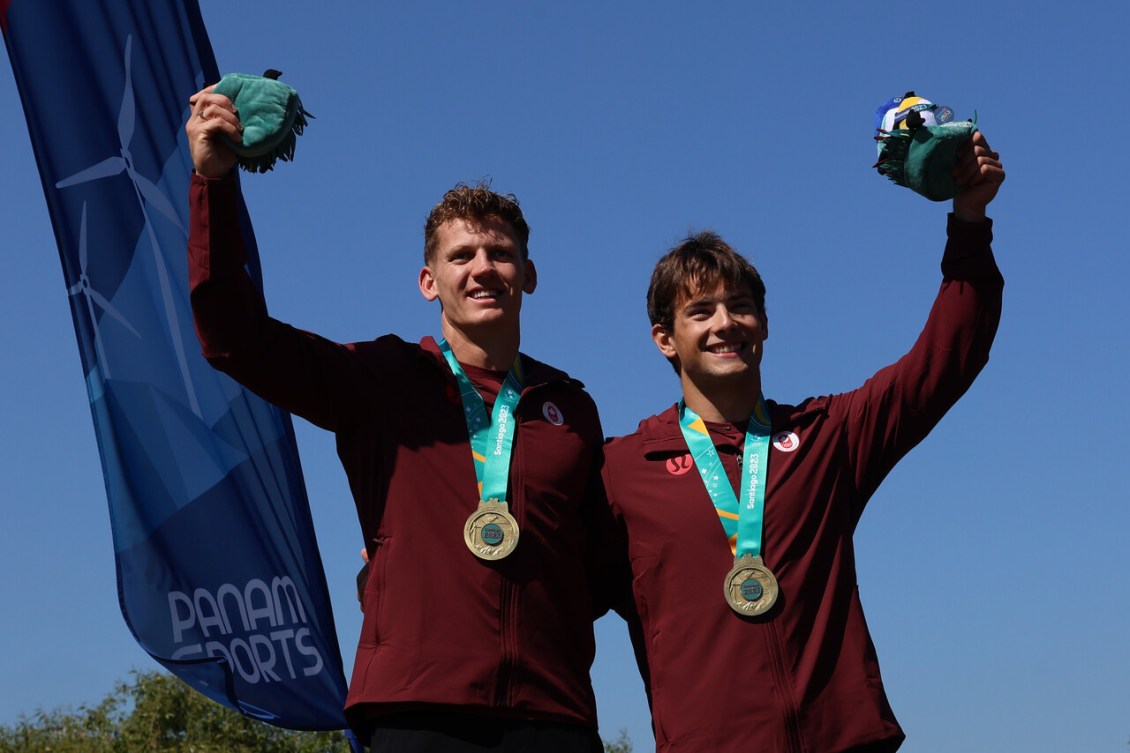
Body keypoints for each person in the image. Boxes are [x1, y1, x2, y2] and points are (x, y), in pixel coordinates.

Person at [185, 86, 606, 753]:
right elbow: (233, 336)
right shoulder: (378, 378)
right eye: (461, 256)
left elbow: (601, 566)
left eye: (499, 253)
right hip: (417, 710)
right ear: (428, 281)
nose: (482, 268)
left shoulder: (571, 408)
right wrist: (214, 181)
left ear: (528, 274)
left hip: (552, 715)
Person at [601, 132, 1005, 752]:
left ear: (764, 323)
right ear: (664, 338)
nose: (725, 323)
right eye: (700, 311)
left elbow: (944, 359)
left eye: (740, 306)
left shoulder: (825, 437)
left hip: (844, 741)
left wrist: (970, 220)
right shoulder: (621, 471)